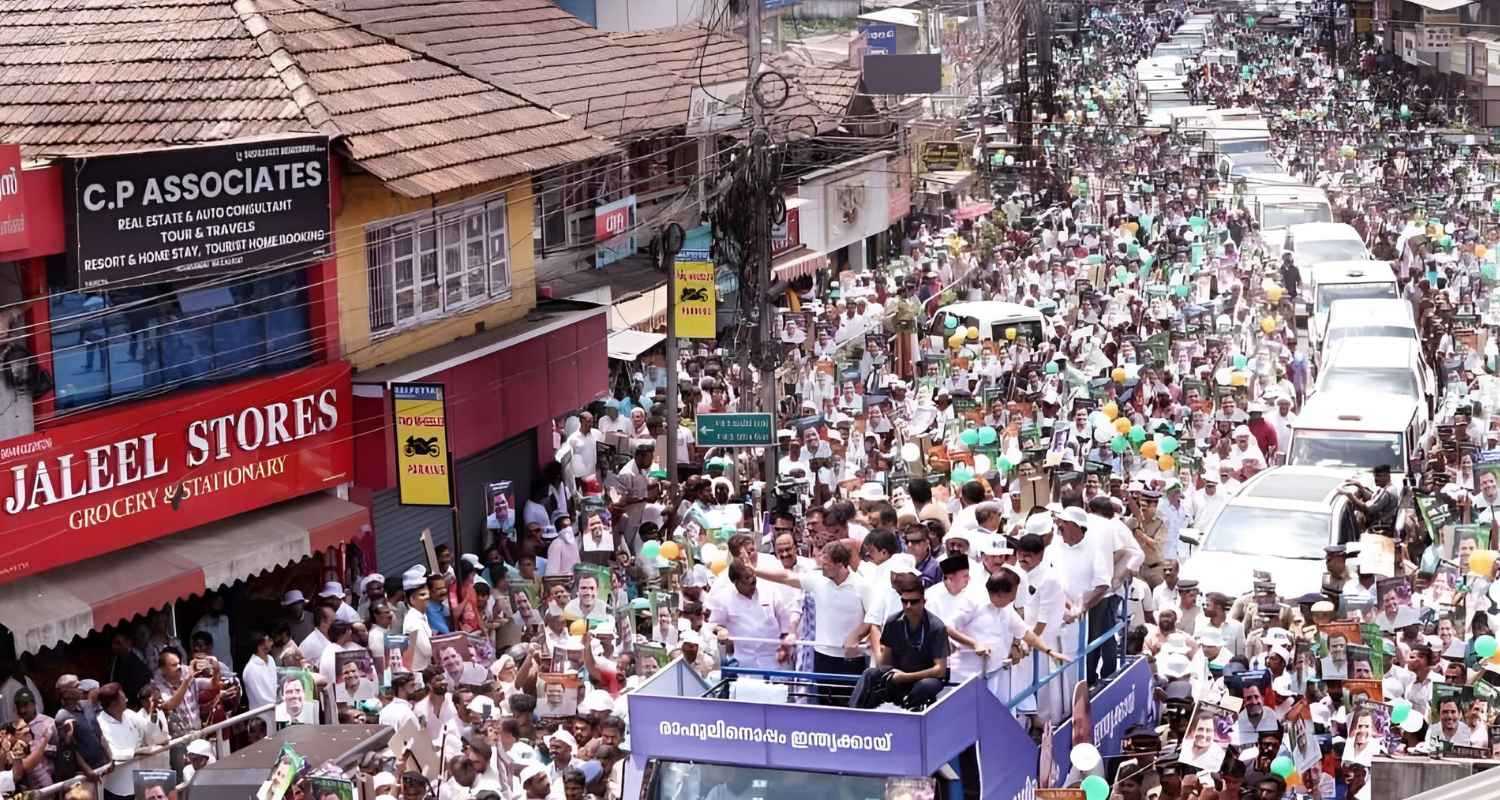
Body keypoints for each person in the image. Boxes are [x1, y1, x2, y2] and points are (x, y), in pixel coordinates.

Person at [855, 574, 950, 711]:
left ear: (924, 601)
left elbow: (939, 670)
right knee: (870, 674)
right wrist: (887, 672)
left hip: (926, 676)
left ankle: (906, 715)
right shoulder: (892, 622)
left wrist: (905, 677)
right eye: (904, 601)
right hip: (899, 673)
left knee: (925, 686)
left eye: (914, 601)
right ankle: (854, 714)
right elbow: (886, 663)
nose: (908, 606)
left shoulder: (936, 627)